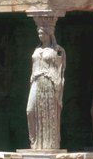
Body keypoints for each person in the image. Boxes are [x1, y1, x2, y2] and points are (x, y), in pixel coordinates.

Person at [26, 21, 65, 150]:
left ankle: (49, 143)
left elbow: (61, 70)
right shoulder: (37, 49)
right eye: (38, 33)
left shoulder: (58, 50)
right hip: (36, 81)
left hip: (50, 83)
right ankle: (35, 142)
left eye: (42, 32)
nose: (40, 35)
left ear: (49, 33)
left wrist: (58, 87)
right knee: (30, 110)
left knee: (49, 112)